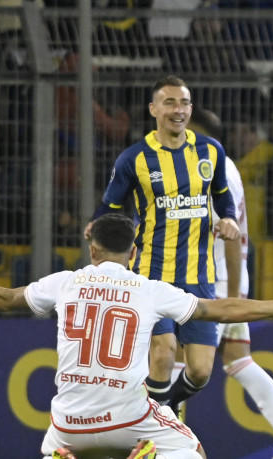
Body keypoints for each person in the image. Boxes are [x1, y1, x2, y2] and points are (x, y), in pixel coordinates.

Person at [0, 213, 273, 459]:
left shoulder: (65, 282)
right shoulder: (147, 290)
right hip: (129, 421)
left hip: (67, 426)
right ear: (133, 252)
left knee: (61, 441)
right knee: (191, 450)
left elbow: (3, 297)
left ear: (92, 250)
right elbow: (216, 308)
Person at [84, 76, 241, 424]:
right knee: (164, 352)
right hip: (151, 276)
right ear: (154, 109)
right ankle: (152, 431)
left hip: (199, 279)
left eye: (184, 103)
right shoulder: (134, 158)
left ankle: (163, 409)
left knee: (200, 370)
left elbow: (223, 197)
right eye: (169, 103)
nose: (178, 110)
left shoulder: (211, 151)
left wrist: (228, 219)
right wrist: (97, 225)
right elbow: (110, 206)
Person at [187, 108, 273, 458]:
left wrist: (229, 298)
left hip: (215, 280)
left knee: (179, 360)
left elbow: (228, 235)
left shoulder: (209, 169)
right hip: (231, 277)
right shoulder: (228, 166)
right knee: (238, 360)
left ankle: (168, 443)